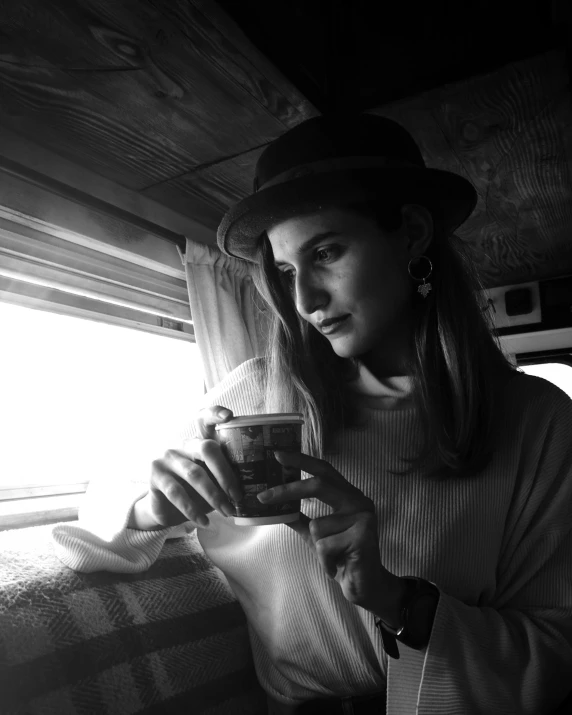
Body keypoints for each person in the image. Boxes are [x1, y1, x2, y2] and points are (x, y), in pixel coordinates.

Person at [52, 113, 572, 714]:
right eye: (286, 271)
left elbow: (556, 650)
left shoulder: (538, 423)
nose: (304, 301)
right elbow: (92, 537)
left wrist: (394, 600)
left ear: (410, 232)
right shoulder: (254, 399)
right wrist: (155, 503)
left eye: (325, 252)